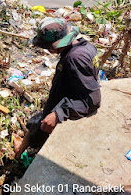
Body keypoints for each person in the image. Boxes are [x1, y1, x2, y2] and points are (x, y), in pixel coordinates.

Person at [13, 17, 101, 159]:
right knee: (37, 121)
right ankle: (23, 147)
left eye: (48, 47)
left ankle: (19, 153)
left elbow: (93, 100)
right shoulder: (86, 46)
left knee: (41, 128)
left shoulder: (74, 58)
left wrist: (58, 113)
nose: (48, 50)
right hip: (66, 97)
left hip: (68, 108)